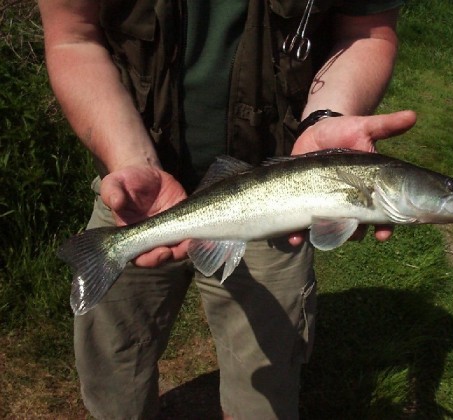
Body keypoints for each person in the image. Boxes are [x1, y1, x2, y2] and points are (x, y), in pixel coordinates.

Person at [39, 0, 416, 418]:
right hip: (133, 193)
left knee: (265, 392)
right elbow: (73, 37)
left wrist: (325, 119)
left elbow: (365, 31)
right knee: (113, 374)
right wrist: (129, 160)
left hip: (277, 187)